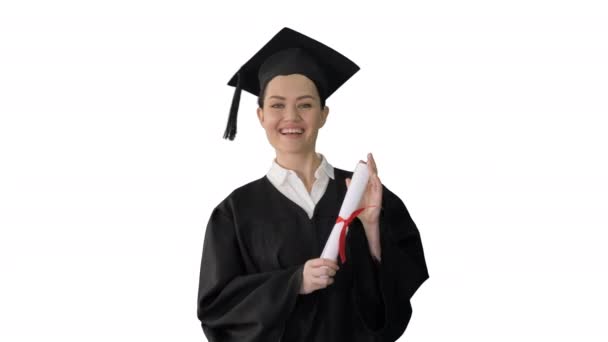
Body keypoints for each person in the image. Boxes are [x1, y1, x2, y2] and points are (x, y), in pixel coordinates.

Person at [197, 27, 429, 342]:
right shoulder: (235, 212)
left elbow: (400, 293)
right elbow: (217, 307)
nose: (290, 116)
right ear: (261, 115)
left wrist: (373, 230)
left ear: (323, 114)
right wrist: (293, 283)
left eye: (305, 105)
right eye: (277, 105)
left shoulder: (363, 193)